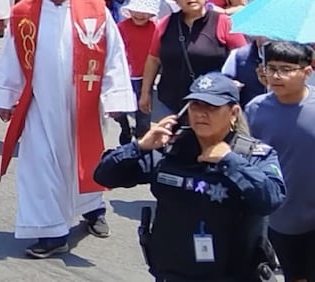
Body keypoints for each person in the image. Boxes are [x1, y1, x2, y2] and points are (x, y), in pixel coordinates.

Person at [0, 0, 135, 258]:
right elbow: (13, 57)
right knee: (39, 167)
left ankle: (93, 209)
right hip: (41, 106)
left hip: (83, 105)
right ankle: (52, 233)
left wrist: (115, 97)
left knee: (84, 161)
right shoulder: (24, 13)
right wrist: (5, 97)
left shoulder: (94, 9)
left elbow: (114, 54)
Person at [95, 72, 286, 282]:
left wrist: (230, 161)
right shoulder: (169, 149)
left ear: (233, 113)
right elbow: (105, 177)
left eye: (211, 107)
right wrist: (139, 146)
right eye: (195, 106)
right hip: (174, 274)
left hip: (233, 274)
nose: (201, 114)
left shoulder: (253, 155)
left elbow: (271, 199)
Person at [246, 42, 315, 282]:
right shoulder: (255, 109)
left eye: (286, 69)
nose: (276, 76)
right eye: (271, 68)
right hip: (281, 219)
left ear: (307, 71)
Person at [140, 0, 247, 116]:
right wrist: (145, 92)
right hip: (170, 102)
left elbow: (242, 57)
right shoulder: (165, 23)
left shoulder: (222, 22)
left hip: (212, 104)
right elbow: (153, 59)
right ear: (176, 0)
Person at [115, 0, 160, 144]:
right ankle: (125, 127)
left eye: (144, 12)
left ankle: (142, 140)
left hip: (144, 76)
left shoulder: (155, 29)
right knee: (118, 108)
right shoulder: (121, 27)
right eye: (136, 10)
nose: (139, 15)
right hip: (124, 75)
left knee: (144, 109)